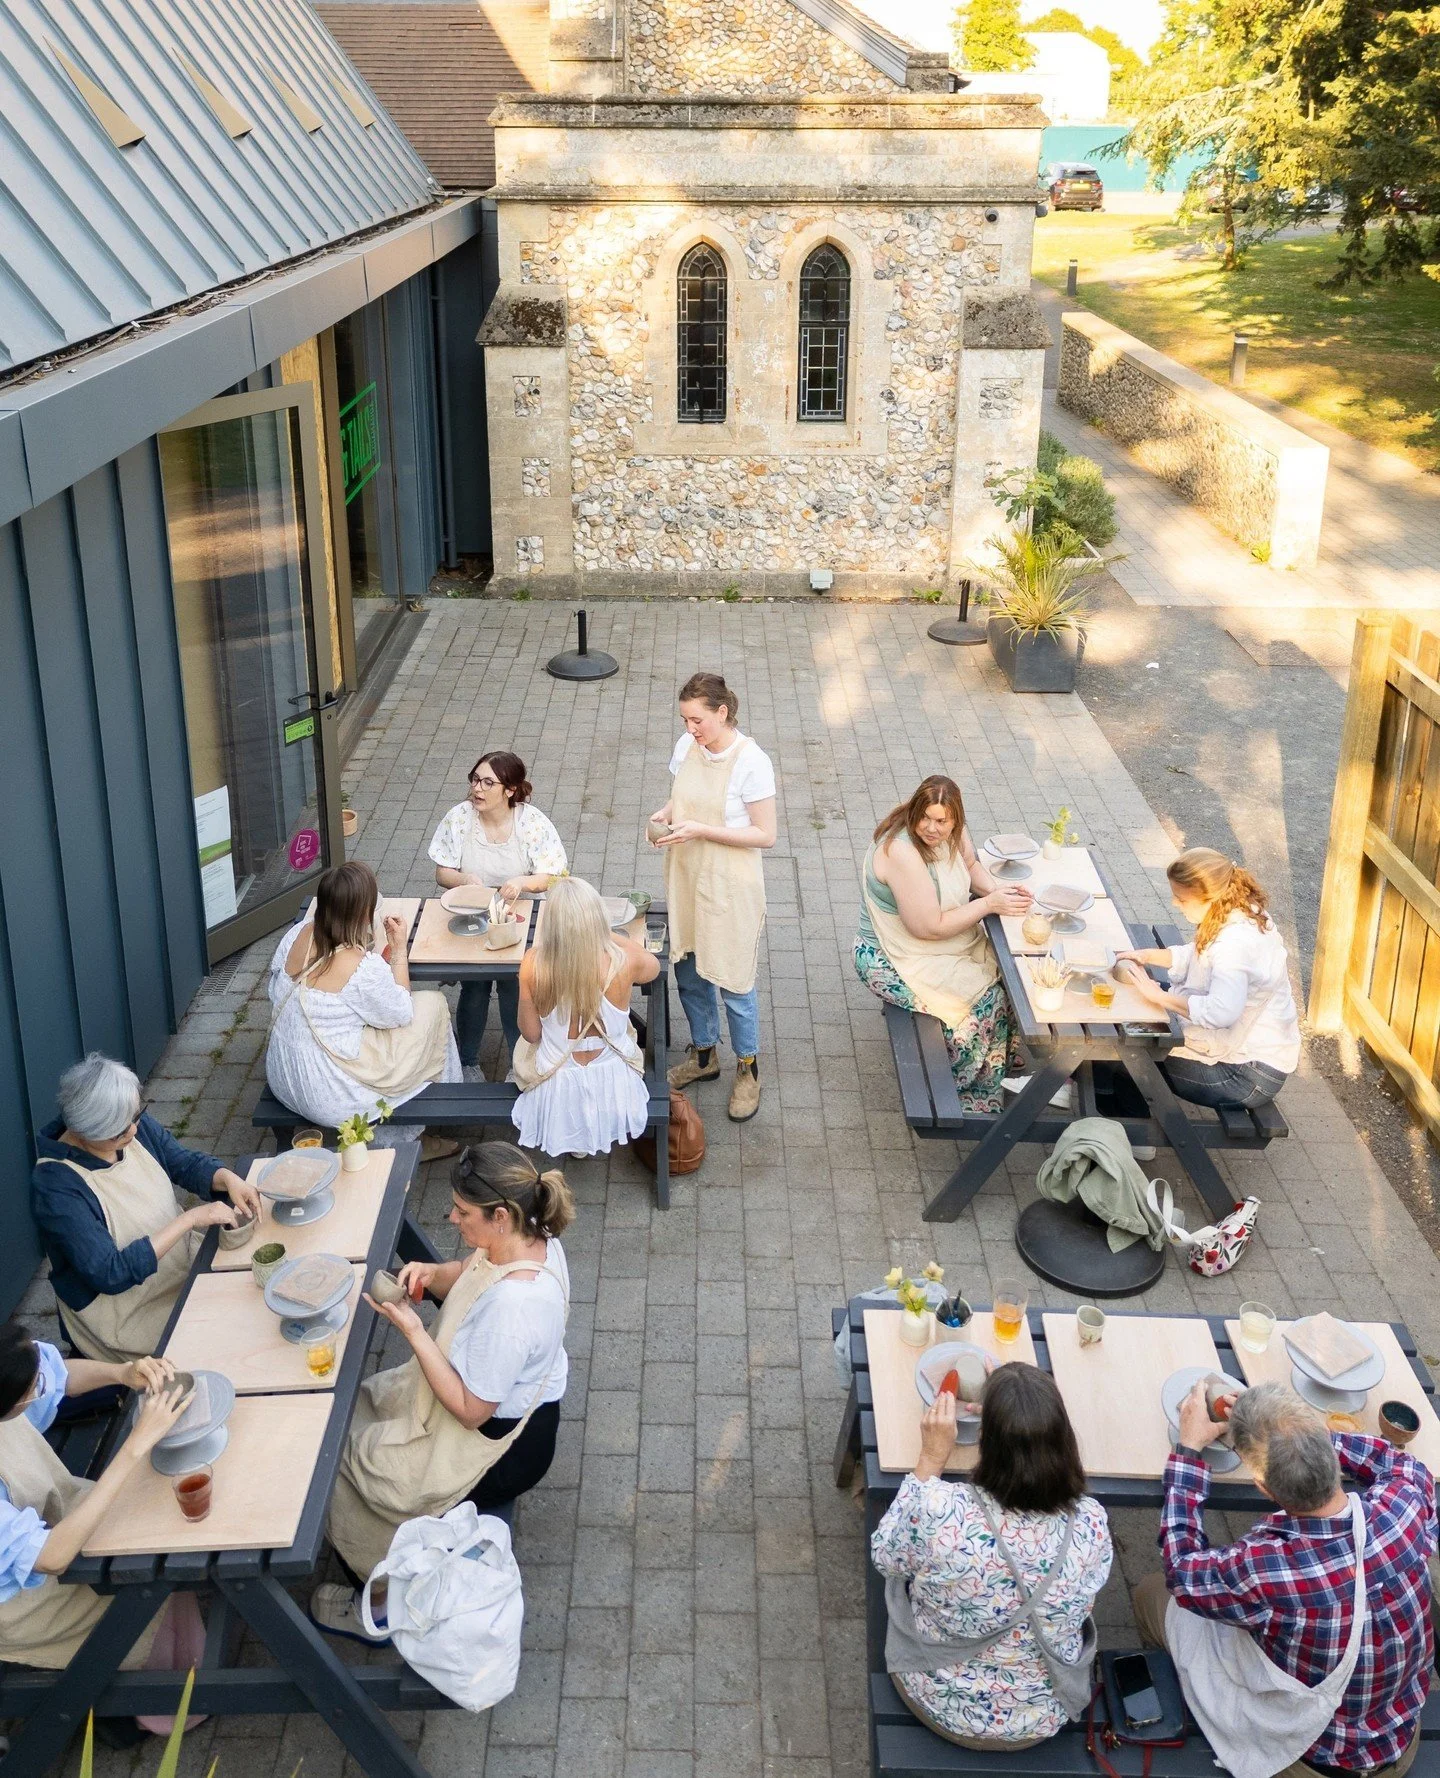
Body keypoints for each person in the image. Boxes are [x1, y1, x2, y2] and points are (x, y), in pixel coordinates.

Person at [315, 1144, 571, 1638]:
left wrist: (411, 1329)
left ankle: (380, 1604)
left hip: (498, 1444)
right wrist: (432, 1275)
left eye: (462, 1211)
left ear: (501, 1215)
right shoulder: (528, 1235)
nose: (452, 1217)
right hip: (479, 1404)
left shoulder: (514, 1311)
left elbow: (473, 1410)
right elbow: (471, 1270)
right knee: (357, 1412)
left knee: (345, 1465)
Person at [1132, 1380, 1436, 1778]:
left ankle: (1173, 1706)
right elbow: (1404, 1464)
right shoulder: (1402, 1504)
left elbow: (1183, 1573)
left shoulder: (1264, 1567)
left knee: (1151, 1593)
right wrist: (1300, 1436)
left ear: (1263, 1487)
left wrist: (1188, 1452)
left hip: (1312, 1758)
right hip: (1398, 1734)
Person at [872, 1365, 1111, 1748]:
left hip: (937, 1699)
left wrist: (931, 1458)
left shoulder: (940, 1510)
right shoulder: (1091, 1521)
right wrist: (1018, 1397)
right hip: (1042, 1714)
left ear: (984, 1440)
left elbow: (885, 1556)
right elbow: (1087, 1601)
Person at [0, 1322, 204, 1694]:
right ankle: (169, 1699)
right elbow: (53, 1557)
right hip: (25, 1598)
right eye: (33, 1392)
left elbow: (57, 1374)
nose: (42, 1387)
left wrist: (122, 1373)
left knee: (157, 1525)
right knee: (141, 1602)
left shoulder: (9, 1377)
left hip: (56, 1519)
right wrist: (135, 1445)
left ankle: (188, 1643)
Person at [32, 1055, 258, 1364]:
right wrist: (190, 1218)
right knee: (229, 1348)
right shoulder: (57, 1188)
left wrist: (226, 1178)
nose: (134, 1131)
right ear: (86, 1133)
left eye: (137, 1117)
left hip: (180, 1268)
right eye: (120, 1132)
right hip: (129, 1316)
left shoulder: (125, 1119)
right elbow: (110, 1273)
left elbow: (182, 1162)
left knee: (252, 1303)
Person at [854, 776, 1030, 1114]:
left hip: (938, 942)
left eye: (941, 821)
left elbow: (970, 864)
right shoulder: (901, 851)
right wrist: (989, 905)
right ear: (915, 810)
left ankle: (999, 1061)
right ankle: (966, 1095)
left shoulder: (956, 830)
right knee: (984, 1000)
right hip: (890, 956)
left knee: (1011, 974)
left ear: (955, 818)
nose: (931, 828)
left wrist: (997, 892)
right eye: (925, 817)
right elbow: (928, 928)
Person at [266, 860, 461, 1160]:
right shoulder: (361, 968)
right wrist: (398, 951)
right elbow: (400, 1013)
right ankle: (419, 1134)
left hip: (284, 1074)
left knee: (368, 1021)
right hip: (329, 1092)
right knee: (432, 1005)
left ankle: (414, 1134)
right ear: (363, 912)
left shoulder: (295, 936)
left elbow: (273, 989)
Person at [650, 672, 776, 1122]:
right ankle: (705, 1057)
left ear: (723, 712)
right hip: (687, 875)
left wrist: (700, 829)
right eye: (685, 719)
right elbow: (680, 795)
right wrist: (667, 813)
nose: (690, 730)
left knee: (735, 981)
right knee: (687, 970)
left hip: (730, 884)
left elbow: (766, 834)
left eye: (698, 720)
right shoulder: (687, 748)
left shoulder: (752, 762)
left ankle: (748, 1068)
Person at [1115, 848, 1299, 1112]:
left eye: (1181, 898)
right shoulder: (1238, 910)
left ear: (1210, 898)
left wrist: (1160, 996)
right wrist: (1149, 955)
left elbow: (1221, 1012)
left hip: (1245, 1076)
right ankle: (1120, 1116)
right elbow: (1201, 955)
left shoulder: (1235, 944)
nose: (1175, 904)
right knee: (1132, 1009)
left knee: (1126, 1053)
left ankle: (1137, 1133)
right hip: (1248, 1056)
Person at [428, 751, 569, 1081]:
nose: (477, 789)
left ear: (510, 790)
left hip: (519, 919)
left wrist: (522, 882)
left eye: (488, 782)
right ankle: (467, 1061)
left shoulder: (530, 822)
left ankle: (519, 1062)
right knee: (474, 987)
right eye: (475, 780)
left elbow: (556, 875)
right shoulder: (459, 818)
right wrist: (464, 880)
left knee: (515, 988)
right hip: (471, 917)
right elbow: (442, 871)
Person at [512, 876, 659, 1157]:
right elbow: (652, 967)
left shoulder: (533, 962)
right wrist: (606, 935)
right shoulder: (622, 960)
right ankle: (597, 1120)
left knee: (527, 1046)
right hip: (613, 1074)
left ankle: (574, 1129)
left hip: (558, 1078)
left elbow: (531, 1033)